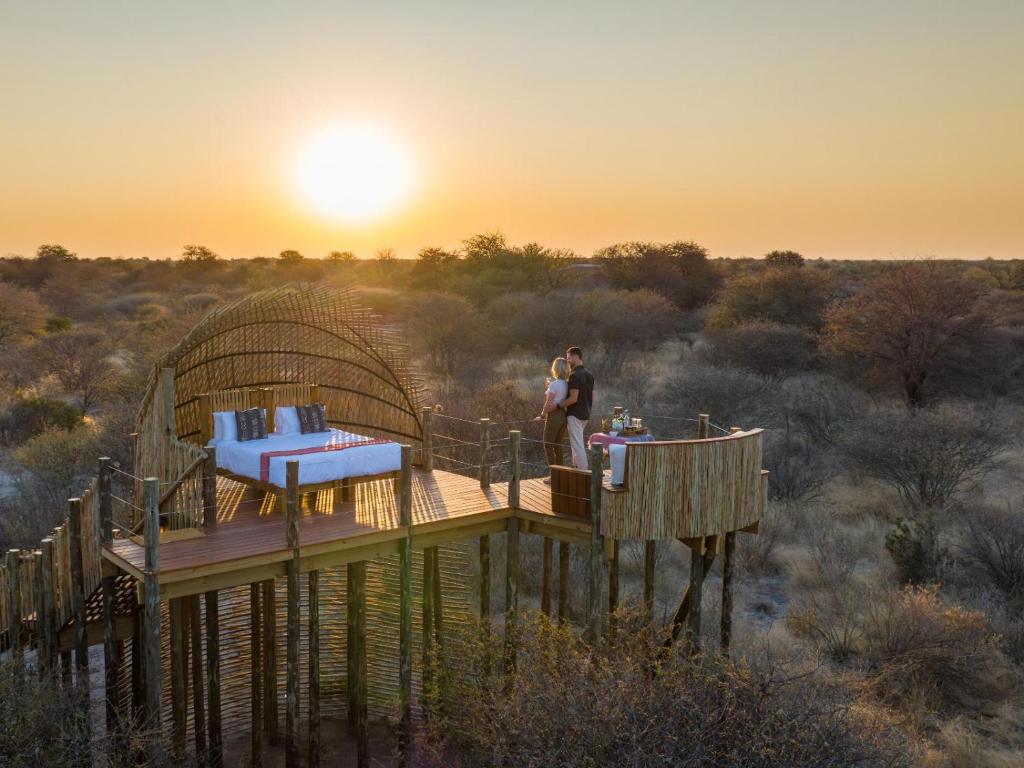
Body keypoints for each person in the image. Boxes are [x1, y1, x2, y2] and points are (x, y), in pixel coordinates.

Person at [559, 346, 594, 470]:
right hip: (586, 414)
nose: (567, 361)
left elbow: (573, 398)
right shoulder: (589, 374)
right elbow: (592, 396)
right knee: (576, 444)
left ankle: (583, 473)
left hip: (575, 414)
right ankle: (577, 469)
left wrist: (558, 405)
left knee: (577, 445)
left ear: (575, 357)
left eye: (569, 358)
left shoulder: (574, 375)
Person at [534, 357, 569, 478]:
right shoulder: (567, 384)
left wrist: (542, 415)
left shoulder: (555, 384)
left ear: (555, 368)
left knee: (548, 445)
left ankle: (554, 475)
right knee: (558, 445)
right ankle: (561, 473)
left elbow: (548, 403)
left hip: (554, 416)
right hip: (564, 415)